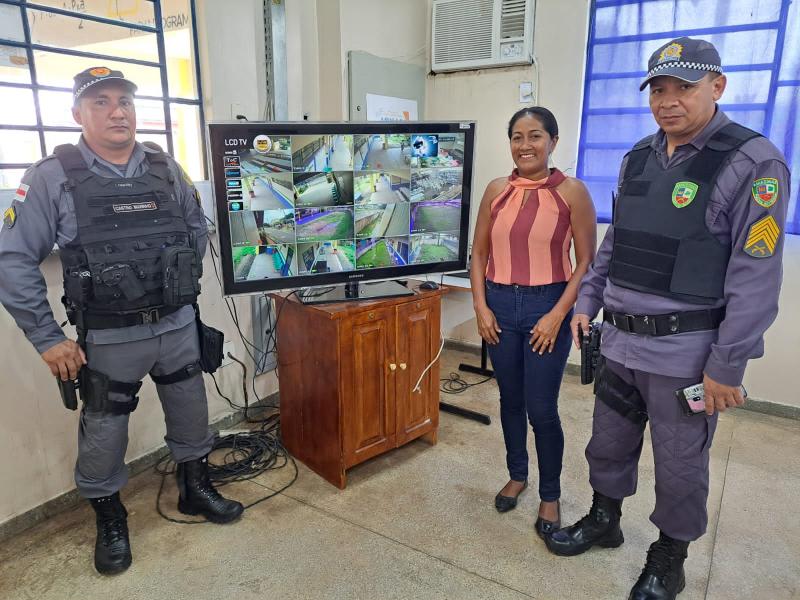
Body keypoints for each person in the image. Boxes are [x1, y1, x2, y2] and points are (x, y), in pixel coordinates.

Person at [544, 38, 790, 600]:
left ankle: (669, 556)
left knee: (680, 462)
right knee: (606, 443)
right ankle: (605, 519)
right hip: (619, 344)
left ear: (717, 86)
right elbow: (614, 247)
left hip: (688, 354)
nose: (669, 100)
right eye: (659, 88)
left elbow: (755, 274)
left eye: (685, 87)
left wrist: (728, 365)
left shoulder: (754, 162)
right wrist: (586, 304)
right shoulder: (636, 158)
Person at [0, 67, 244, 576]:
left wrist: (171, 280)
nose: (117, 111)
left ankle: (194, 488)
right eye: (101, 102)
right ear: (77, 114)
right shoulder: (51, 176)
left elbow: (195, 227)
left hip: (176, 325)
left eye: (125, 102)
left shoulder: (165, 166)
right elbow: (13, 258)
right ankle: (110, 516)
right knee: (105, 431)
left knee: (191, 410)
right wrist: (48, 340)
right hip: (110, 336)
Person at [469, 107, 597, 538]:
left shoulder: (573, 193)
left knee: (542, 409)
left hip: (549, 305)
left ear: (553, 142)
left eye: (536, 136)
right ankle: (517, 474)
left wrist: (558, 314)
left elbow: (586, 263)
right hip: (500, 305)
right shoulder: (496, 190)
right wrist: (482, 307)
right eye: (517, 137)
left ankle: (550, 494)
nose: (526, 145)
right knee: (510, 400)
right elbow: (479, 254)